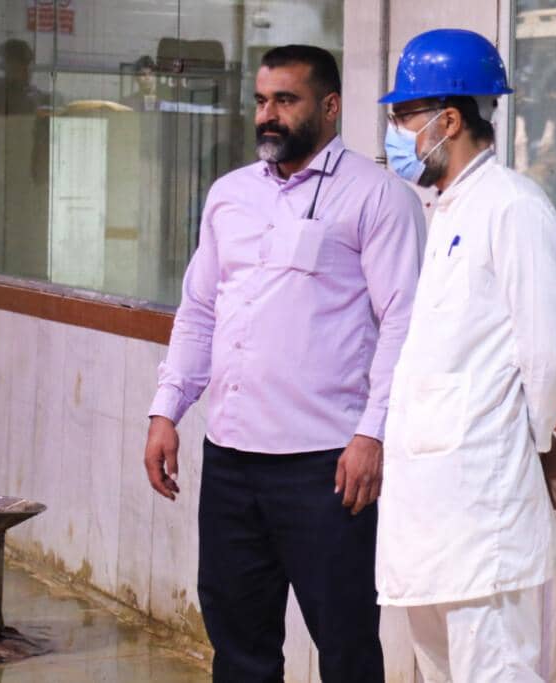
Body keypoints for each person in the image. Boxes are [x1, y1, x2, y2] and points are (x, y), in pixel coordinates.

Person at [143, 44, 424, 682]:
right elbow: (199, 312)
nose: (268, 115)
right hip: (232, 459)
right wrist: (168, 409)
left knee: (346, 642)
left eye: (286, 100)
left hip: (325, 465)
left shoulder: (376, 197)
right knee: (238, 642)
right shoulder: (230, 195)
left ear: (329, 107)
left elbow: (404, 325)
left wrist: (373, 432)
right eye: (262, 101)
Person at [375, 29, 556, 682]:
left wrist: (540, 442)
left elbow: (550, 350)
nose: (395, 134)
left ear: (448, 120)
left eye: (403, 118)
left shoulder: (513, 208)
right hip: (430, 519)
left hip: (481, 516)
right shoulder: (445, 211)